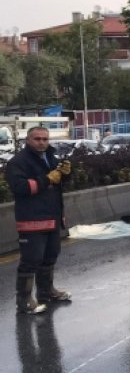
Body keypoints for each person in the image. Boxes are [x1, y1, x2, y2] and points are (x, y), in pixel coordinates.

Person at [5, 127, 73, 314]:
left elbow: (57, 183)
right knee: (31, 260)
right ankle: (25, 300)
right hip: (32, 220)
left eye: (45, 139)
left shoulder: (51, 157)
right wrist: (47, 179)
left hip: (52, 217)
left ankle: (46, 292)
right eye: (37, 139)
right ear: (28, 140)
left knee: (50, 256)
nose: (41, 142)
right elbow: (20, 188)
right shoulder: (18, 162)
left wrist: (66, 174)